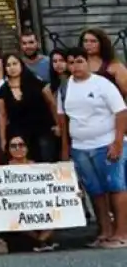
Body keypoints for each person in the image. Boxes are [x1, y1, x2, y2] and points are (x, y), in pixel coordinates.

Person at [58, 47, 127, 249]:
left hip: (105, 143)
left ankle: (122, 232)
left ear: (87, 62)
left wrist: (117, 142)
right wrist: (65, 149)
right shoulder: (65, 87)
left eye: (79, 61)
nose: (75, 66)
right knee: (95, 191)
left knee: (116, 186)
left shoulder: (102, 84)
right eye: (71, 62)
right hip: (80, 147)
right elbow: (63, 120)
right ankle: (105, 230)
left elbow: (121, 113)